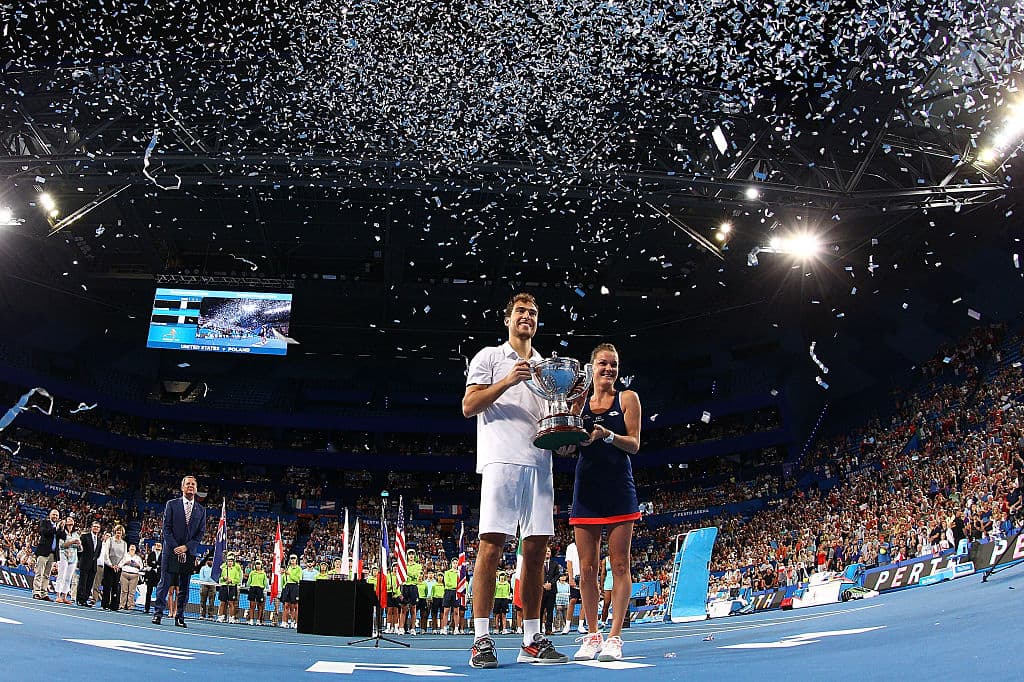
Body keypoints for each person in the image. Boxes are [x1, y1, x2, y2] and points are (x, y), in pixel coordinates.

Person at [462, 292, 569, 668]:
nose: (528, 316)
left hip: (540, 465)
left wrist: (565, 430)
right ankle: (481, 639)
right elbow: (468, 406)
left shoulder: (547, 366)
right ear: (507, 319)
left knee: (537, 550)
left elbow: (548, 419)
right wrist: (507, 380)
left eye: (534, 312)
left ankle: (531, 639)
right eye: (521, 311)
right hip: (500, 461)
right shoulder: (489, 357)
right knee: (491, 546)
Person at [569, 343, 641, 663]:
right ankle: (593, 634)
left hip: (618, 490)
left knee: (620, 564)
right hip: (586, 491)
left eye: (613, 364)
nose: (609, 369)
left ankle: (614, 637)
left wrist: (607, 435)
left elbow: (635, 444)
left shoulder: (628, 398)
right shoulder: (579, 402)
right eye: (603, 363)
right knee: (586, 570)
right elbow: (566, 445)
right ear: (591, 367)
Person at [152, 475, 207, 628]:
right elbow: (166, 528)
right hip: (171, 551)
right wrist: (176, 547)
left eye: (193, 484)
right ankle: (158, 614)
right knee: (164, 584)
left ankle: (180, 616)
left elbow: (200, 533)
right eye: (188, 483)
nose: (190, 486)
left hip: (189, 553)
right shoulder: (171, 504)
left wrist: (186, 547)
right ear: (182, 487)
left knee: (184, 587)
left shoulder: (201, 510)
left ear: (196, 489)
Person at [32, 508, 61, 601]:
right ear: (50, 515)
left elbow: (62, 537)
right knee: (39, 572)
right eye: (53, 514)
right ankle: (36, 592)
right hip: (43, 552)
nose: (55, 516)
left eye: (57, 515)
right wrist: (55, 529)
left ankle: (44, 593)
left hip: (53, 554)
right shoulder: (44, 523)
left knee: (47, 575)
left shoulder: (59, 527)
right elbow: (43, 532)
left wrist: (62, 529)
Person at [54, 516, 81, 604]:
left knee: (68, 577)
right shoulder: (62, 532)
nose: (70, 520)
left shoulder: (76, 534)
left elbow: (80, 549)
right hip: (63, 555)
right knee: (61, 575)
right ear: (65, 523)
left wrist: (80, 545)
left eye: (72, 519)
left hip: (73, 557)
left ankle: (64, 596)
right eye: (68, 519)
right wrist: (73, 542)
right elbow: (62, 545)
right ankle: (58, 595)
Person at [100, 525, 127, 610]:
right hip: (109, 566)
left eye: (120, 531)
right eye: (117, 531)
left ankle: (114, 605)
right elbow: (106, 553)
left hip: (118, 568)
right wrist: (110, 564)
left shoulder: (124, 543)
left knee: (116, 586)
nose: (119, 532)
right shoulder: (110, 540)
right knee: (107, 586)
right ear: (115, 531)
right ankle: (105, 604)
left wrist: (119, 566)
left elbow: (124, 557)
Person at [76, 521, 102, 607]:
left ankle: (85, 599)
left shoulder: (99, 540)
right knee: (82, 582)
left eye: (97, 527)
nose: (96, 528)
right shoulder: (84, 536)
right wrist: (82, 560)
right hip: (84, 563)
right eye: (94, 526)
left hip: (93, 565)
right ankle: (80, 599)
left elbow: (98, 553)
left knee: (89, 583)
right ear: (91, 527)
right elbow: (79, 550)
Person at [540, 546, 562, 635]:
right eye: (546, 551)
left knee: (550, 610)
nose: (547, 552)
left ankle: (548, 629)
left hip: (552, 590)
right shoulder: (539, 563)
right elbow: (535, 575)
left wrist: (551, 584)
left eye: (549, 551)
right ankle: (538, 629)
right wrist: (543, 584)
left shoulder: (555, 564)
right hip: (541, 590)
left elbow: (557, 575)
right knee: (540, 610)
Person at [401, 549, 423, 635]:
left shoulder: (418, 566)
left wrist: (406, 571)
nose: (411, 556)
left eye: (412, 554)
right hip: (405, 586)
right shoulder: (403, 565)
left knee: (413, 609)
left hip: (413, 587)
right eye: (409, 554)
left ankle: (412, 628)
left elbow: (416, 576)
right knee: (403, 608)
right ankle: (401, 628)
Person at [217, 553, 243, 623]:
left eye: (231, 561)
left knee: (231, 603)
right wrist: (224, 578)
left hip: (232, 587)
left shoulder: (235, 570)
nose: (230, 562)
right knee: (222, 602)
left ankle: (231, 617)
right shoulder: (224, 569)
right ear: (227, 562)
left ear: (233, 562)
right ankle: (220, 616)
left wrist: (231, 580)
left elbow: (238, 579)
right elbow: (220, 579)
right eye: (229, 561)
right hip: (224, 586)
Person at [562, 541, 581, 634]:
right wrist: (571, 577)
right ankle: (567, 625)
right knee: (573, 600)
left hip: (586, 577)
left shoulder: (587, 544)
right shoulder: (571, 547)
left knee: (585, 602)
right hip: (575, 576)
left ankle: (581, 625)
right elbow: (569, 563)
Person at [118, 544, 145, 611]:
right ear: (129, 548)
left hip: (134, 575)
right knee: (124, 591)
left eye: (134, 547)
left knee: (132, 591)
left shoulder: (138, 558)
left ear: (135, 549)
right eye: (131, 547)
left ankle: (130, 605)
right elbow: (120, 565)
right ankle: (122, 605)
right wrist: (126, 563)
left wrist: (137, 565)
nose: (132, 548)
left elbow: (141, 567)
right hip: (125, 574)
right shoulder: (124, 556)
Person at [281, 554, 302, 628]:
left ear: (296, 560)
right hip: (288, 586)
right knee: (286, 605)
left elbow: (298, 579)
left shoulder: (299, 569)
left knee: (295, 606)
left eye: (294, 559)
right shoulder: (288, 568)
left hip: (295, 586)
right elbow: (284, 579)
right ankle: (285, 622)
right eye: (291, 559)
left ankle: (295, 622)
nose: (292, 560)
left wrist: (290, 574)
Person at [441, 557, 461, 635]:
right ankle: (444, 628)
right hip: (448, 592)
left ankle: (456, 628)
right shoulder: (447, 572)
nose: (455, 564)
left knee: (456, 611)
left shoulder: (460, 573)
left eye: (456, 563)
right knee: (446, 611)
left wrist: (458, 587)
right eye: (454, 563)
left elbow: (462, 584)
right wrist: (456, 585)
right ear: (451, 564)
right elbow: (447, 583)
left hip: (456, 592)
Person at [246, 559, 268, 625]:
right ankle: (251, 620)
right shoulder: (252, 573)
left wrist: (264, 589)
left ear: (261, 565)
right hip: (252, 589)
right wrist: (248, 587)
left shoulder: (263, 573)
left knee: (260, 606)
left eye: (259, 564)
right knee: (252, 605)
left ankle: (258, 620)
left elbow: (265, 583)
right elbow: (249, 582)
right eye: (257, 564)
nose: (258, 566)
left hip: (260, 590)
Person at [143, 542, 162, 613]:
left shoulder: (163, 555)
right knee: (149, 592)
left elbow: (162, 564)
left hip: (159, 577)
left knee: (159, 594)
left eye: (160, 545)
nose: (158, 546)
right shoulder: (151, 554)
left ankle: (158, 609)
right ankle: (146, 608)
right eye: (157, 545)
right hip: (151, 576)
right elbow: (149, 562)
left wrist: (156, 566)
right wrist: (155, 566)